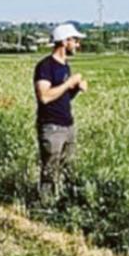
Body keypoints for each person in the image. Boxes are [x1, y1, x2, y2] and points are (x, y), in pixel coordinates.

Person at [34, 23, 87, 201]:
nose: (78, 45)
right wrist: (68, 83)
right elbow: (45, 97)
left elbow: (61, 97)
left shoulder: (65, 66)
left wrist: (75, 89)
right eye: (75, 40)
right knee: (50, 172)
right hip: (52, 128)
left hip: (67, 126)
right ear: (65, 41)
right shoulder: (45, 67)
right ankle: (45, 207)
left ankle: (63, 204)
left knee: (67, 170)